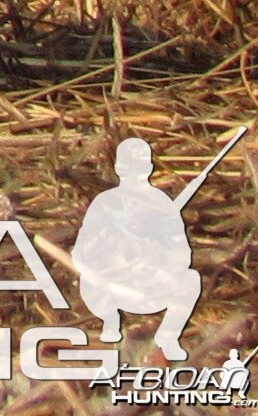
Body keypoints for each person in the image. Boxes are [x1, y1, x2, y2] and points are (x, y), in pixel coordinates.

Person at [70, 138, 203, 361]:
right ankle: (110, 323)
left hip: (151, 282)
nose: (135, 171)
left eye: (140, 165)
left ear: (149, 167)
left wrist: (156, 252)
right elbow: (80, 252)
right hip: (113, 283)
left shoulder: (160, 202)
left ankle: (167, 338)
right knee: (88, 280)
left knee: (191, 280)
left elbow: (182, 254)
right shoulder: (106, 203)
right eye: (130, 165)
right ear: (119, 168)